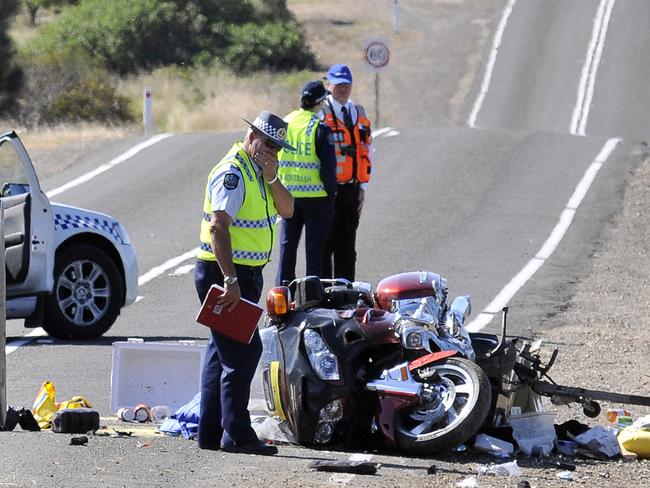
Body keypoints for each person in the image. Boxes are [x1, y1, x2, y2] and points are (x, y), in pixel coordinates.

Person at [194, 111, 294, 455]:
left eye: (278, 147)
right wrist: (230, 280)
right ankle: (237, 434)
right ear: (251, 136)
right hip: (226, 273)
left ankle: (209, 433)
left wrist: (272, 176)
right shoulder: (233, 172)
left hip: (244, 275)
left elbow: (288, 209)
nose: (272, 151)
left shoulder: (259, 173)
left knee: (218, 355)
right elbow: (219, 227)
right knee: (244, 352)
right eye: (267, 143)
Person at [275, 80, 337, 286]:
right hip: (316, 198)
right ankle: (311, 295)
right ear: (321, 102)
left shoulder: (286, 122)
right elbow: (328, 168)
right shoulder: (320, 127)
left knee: (287, 246)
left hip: (287, 195)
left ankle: (282, 292)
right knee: (314, 250)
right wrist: (331, 193)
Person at [321, 63, 373, 282]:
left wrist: (362, 187)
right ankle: (322, 294)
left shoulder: (358, 112)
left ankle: (345, 292)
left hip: (351, 188)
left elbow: (368, 149)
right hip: (327, 191)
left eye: (346, 84)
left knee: (347, 245)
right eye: (339, 84)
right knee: (325, 245)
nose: (343, 88)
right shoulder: (321, 112)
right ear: (329, 84)